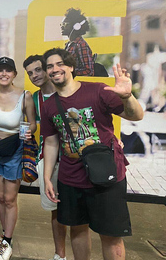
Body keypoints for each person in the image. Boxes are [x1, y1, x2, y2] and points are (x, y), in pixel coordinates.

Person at [41, 48, 144, 260]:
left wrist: (127, 96)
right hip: (71, 178)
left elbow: (137, 115)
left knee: (111, 235)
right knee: (78, 229)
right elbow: (51, 143)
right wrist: (47, 177)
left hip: (106, 175)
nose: (54, 69)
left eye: (59, 64)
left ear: (70, 67)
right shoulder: (49, 105)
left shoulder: (98, 91)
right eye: (50, 66)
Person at [0, 57, 36, 260]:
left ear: (14, 74)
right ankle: (4, 237)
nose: (4, 74)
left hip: (14, 151)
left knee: (10, 199)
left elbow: (32, 123)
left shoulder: (25, 96)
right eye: (0, 71)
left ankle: (7, 241)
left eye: (8, 70)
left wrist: (28, 131)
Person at [23, 55, 67, 260]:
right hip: (49, 161)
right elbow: (34, 126)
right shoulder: (34, 98)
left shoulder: (67, 92)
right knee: (55, 210)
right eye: (30, 73)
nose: (34, 75)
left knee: (78, 212)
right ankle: (60, 255)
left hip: (73, 159)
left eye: (38, 70)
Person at [61, 8, 94, 76]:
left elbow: (89, 71)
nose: (62, 26)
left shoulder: (81, 45)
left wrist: (68, 72)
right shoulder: (69, 44)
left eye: (65, 24)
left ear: (76, 26)